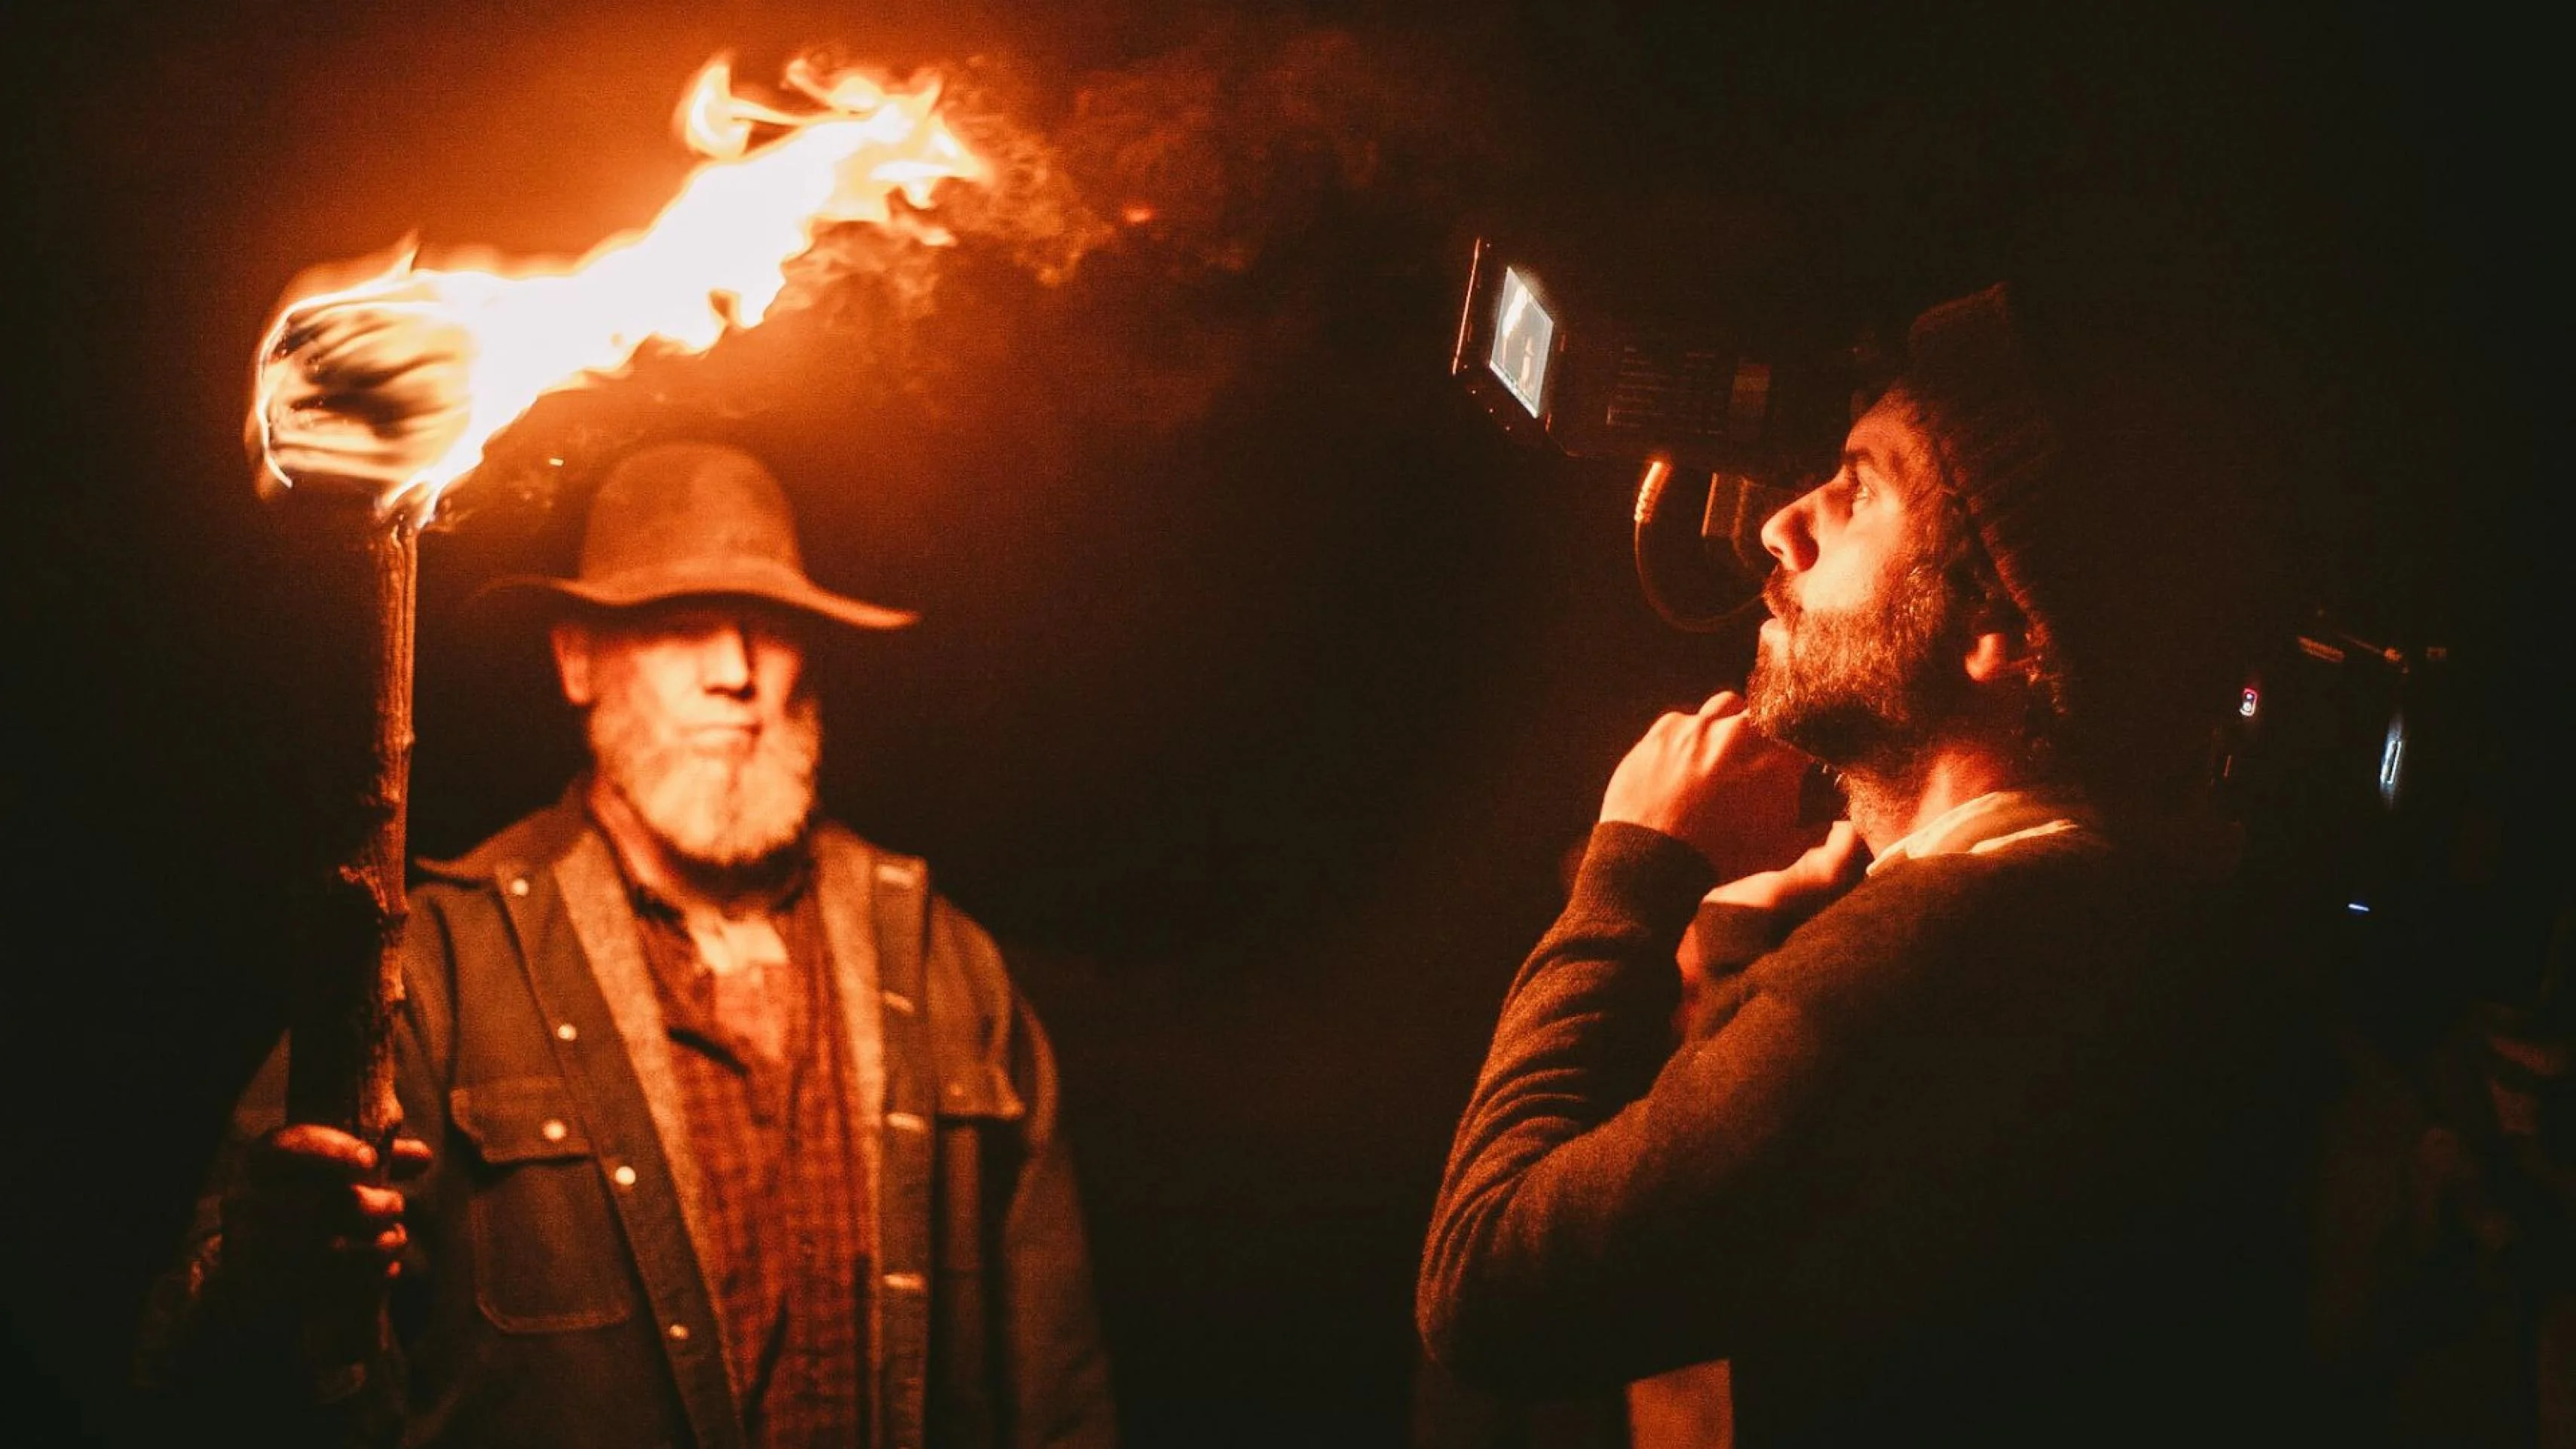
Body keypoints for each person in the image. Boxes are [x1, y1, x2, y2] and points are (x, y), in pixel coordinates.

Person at [140, 336, 1117, 1449]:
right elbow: (192, 1385)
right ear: (576, 659)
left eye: (771, 625)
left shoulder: (952, 974)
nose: (735, 671)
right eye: (678, 623)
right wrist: (269, 1277)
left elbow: (1061, 1402)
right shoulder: (436, 980)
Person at [1417, 283, 2331, 1446]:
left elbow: (1486, 1290)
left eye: (1856, 495)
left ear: (1996, 627)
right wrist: (1746, 960)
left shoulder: (1933, 956)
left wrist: (1628, 877)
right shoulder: (2087, 913)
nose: (1777, 525)